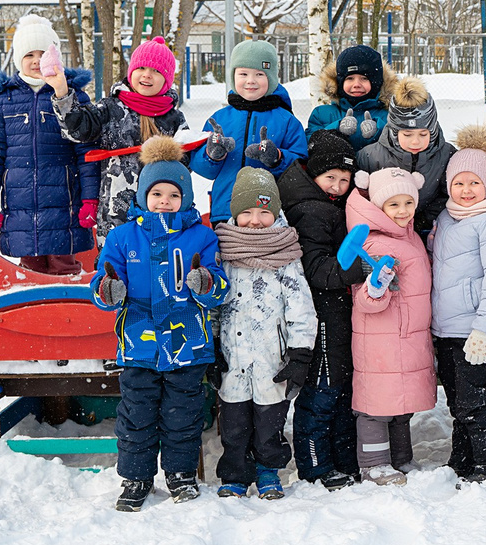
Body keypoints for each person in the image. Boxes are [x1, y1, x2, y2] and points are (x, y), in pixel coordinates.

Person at [92, 136, 226, 510]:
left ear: (186, 197)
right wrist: (109, 289)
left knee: (182, 416)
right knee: (137, 414)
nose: (164, 201)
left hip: (187, 346)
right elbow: (101, 282)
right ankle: (136, 477)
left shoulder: (201, 235)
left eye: (173, 194)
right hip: (139, 345)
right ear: (143, 196)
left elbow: (217, 285)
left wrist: (207, 284)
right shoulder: (122, 236)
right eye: (157, 194)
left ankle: (180, 474)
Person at [209, 166, 318, 499]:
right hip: (233, 358)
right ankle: (235, 474)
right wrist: (210, 347)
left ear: (276, 213)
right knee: (234, 425)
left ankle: (269, 471)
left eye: (263, 212)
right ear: (235, 214)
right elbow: (212, 304)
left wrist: (300, 353)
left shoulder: (285, 255)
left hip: (272, 358)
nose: (255, 220)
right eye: (246, 213)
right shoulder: (224, 253)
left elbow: (301, 306)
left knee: (270, 424)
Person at [427, 126, 486, 484]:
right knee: (458, 404)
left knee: (474, 401)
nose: (467, 191)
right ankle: (462, 462)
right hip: (447, 327)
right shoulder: (448, 219)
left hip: (475, 330)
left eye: (475, 183)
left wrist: (485, 329)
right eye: (460, 183)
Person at [0, 13, 100, 275]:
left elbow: (87, 151)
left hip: (64, 201)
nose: (36, 61)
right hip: (21, 204)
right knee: (30, 272)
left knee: (64, 267)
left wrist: (90, 198)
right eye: (29, 55)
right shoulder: (4, 101)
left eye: (43, 54)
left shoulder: (72, 96)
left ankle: (69, 313)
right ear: (19, 58)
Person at [278, 130, 368, 487]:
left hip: (336, 308)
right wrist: (354, 271)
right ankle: (316, 467)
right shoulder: (312, 210)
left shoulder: (326, 205)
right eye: (330, 177)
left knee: (341, 388)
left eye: (344, 180)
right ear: (312, 174)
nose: (337, 185)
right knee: (324, 389)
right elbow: (315, 269)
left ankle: (342, 460)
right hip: (322, 310)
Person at [345, 166, 434, 485]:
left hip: (406, 334)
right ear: (379, 206)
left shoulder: (408, 237)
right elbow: (364, 301)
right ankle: (373, 463)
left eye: (408, 203)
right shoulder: (371, 243)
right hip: (379, 338)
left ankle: (400, 458)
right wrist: (376, 288)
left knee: (400, 402)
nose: (403, 211)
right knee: (376, 404)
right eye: (393, 204)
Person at [60, 35, 183, 231]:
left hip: (161, 212)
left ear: (167, 80)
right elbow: (79, 130)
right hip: (115, 213)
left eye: (156, 71)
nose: (146, 75)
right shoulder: (110, 108)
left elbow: (185, 163)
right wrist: (62, 93)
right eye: (141, 68)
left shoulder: (173, 117)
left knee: (156, 258)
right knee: (114, 260)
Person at [188, 38, 308, 226]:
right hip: (225, 211)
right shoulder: (219, 119)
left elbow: (302, 166)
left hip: (269, 214)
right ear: (233, 76)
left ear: (271, 77)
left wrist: (277, 158)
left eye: (260, 74)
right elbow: (203, 169)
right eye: (243, 73)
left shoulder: (286, 120)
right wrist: (213, 156)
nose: (250, 81)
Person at [355, 75, 455, 234]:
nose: (415, 141)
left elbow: (447, 194)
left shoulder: (445, 155)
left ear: (433, 131)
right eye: (407, 135)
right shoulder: (371, 156)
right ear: (394, 132)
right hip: (384, 230)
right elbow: (359, 199)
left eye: (423, 134)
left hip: (429, 228)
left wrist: (423, 220)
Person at [307, 44, 393, 148]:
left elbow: (402, 144)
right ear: (339, 82)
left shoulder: (390, 115)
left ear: (376, 83)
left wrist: (379, 130)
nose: (356, 85)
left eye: (364, 78)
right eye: (350, 78)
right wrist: (336, 129)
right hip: (336, 164)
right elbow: (310, 144)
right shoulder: (322, 114)